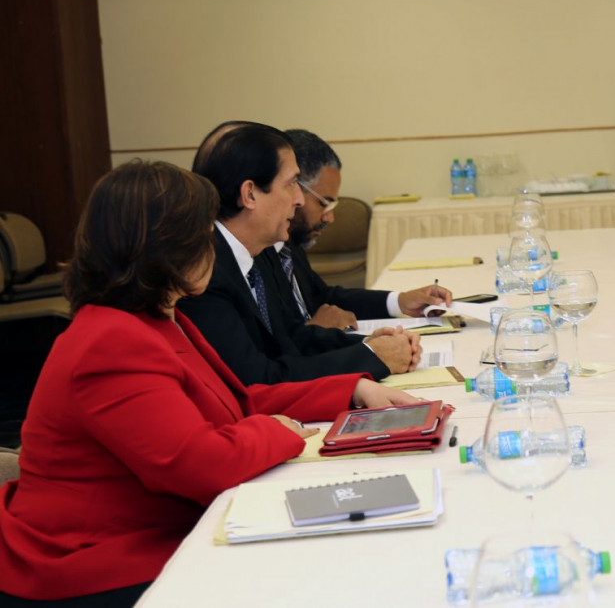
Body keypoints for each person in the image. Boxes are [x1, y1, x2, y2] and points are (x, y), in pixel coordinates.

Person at [0, 161, 419, 605]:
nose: (213, 249)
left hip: (158, 532)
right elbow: (203, 466)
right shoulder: (110, 342)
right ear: (163, 247)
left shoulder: (159, 318)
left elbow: (238, 402)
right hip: (89, 564)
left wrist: (352, 389)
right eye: (203, 236)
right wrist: (278, 432)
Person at [179, 124, 422, 385]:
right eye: (292, 183)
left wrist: (368, 344)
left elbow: (292, 340)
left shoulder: (256, 251)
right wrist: (373, 357)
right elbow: (258, 381)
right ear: (249, 194)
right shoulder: (204, 270)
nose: (299, 199)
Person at [275, 129, 451, 331]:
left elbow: (322, 298)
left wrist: (400, 301)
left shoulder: (288, 246)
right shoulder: (257, 258)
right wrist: (314, 331)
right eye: (324, 203)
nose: (330, 218)